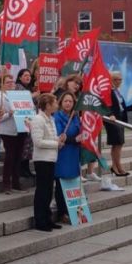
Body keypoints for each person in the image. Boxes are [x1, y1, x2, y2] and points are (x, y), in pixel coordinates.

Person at [31, 93, 64, 232]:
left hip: (50, 158)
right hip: (42, 159)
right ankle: (40, 220)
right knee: (42, 191)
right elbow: (38, 141)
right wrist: (56, 143)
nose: (57, 104)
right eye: (55, 102)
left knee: (49, 190)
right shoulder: (38, 119)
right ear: (48, 105)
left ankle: (47, 218)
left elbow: (50, 137)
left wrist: (59, 139)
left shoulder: (50, 118)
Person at [53, 93, 82, 224]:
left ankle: (73, 210)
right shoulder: (57, 116)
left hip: (73, 152)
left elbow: (80, 130)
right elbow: (60, 135)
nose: (68, 103)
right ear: (61, 102)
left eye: (70, 101)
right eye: (66, 101)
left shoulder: (75, 116)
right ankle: (61, 212)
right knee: (61, 182)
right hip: (63, 152)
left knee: (72, 181)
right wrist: (73, 139)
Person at [104, 71, 132, 182]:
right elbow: (105, 105)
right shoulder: (108, 91)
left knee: (119, 144)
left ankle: (117, 166)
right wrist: (110, 115)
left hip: (120, 120)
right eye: (118, 79)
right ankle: (116, 167)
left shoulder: (116, 92)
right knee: (117, 143)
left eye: (121, 79)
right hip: (113, 120)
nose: (120, 81)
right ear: (112, 80)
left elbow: (121, 108)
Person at [0, 75, 24, 193]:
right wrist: (8, 114)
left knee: (18, 157)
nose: (11, 84)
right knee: (10, 157)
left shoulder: (17, 96)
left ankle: (16, 182)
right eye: (8, 82)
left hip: (20, 130)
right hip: (7, 131)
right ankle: (6, 183)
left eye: (12, 82)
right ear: (2, 85)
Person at [16, 69, 40, 180]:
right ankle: (21, 169)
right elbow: (23, 99)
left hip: (30, 121)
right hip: (21, 122)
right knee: (23, 147)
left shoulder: (29, 88)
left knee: (28, 147)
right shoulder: (18, 87)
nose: (28, 77)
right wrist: (34, 94)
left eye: (29, 75)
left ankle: (26, 169)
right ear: (20, 77)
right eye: (25, 75)